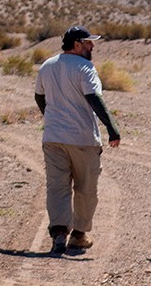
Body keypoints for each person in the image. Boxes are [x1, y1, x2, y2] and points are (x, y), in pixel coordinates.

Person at [34, 25, 121, 255]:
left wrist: (53, 118)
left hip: (53, 138)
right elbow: (94, 98)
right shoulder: (85, 67)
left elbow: (39, 96)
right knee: (86, 188)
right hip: (82, 139)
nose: (92, 46)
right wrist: (112, 128)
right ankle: (79, 235)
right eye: (88, 42)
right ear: (76, 44)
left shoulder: (47, 65)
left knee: (57, 187)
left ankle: (59, 233)